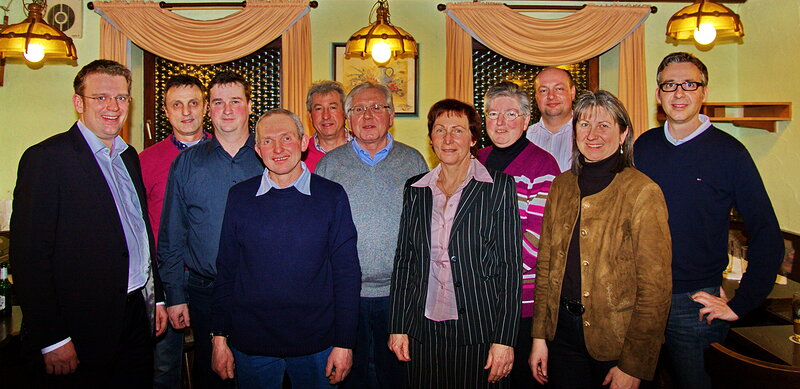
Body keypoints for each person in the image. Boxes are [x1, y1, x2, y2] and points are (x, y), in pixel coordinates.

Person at [10, 59, 167, 387]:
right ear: (78, 102)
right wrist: (53, 338)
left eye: (122, 98)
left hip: (136, 315)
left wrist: (157, 300)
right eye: (101, 97)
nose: (113, 106)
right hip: (80, 327)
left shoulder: (128, 157)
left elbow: (138, 235)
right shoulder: (47, 159)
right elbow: (29, 259)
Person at [634, 52, 784, 389]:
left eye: (690, 84)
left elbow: (766, 232)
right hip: (638, 299)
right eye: (669, 85)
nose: (679, 93)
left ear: (704, 92)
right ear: (658, 95)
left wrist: (742, 303)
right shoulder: (643, 147)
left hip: (695, 305)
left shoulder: (730, 153)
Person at [208, 108, 361, 389]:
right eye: (267, 141)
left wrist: (345, 343)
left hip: (318, 345)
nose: (278, 148)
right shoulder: (240, 197)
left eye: (287, 138)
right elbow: (227, 270)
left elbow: (347, 274)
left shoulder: (331, 196)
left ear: (303, 143)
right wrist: (219, 336)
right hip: (252, 344)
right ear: (257, 150)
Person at [529, 90, 672, 389]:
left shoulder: (642, 192)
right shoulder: (562, 185)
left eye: (604, 125)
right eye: (584, 125)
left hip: (616, 341)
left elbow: (655, 288)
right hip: (562, 336)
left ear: (623, 134)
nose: (593, 134)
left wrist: (634, 364)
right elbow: (546, 266)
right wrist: (540, 337)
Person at [388, 99, 521, 388]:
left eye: (458, 131)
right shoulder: (415, 189)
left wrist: (504, 340)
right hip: (422, 329)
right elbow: (405, 260)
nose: (448, 139)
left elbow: (511, 268)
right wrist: (398, 326)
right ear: (431, 139)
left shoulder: (499, 188)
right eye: (440, 130)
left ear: (473, 139)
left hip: (479, 330)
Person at [316, 82, 428, 389]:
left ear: (391, 116)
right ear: (349, 119)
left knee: (396, 377)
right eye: (359, 109)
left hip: (399, 295)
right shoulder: (329, 166)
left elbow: (425, 231)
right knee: (351, 378)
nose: (369, 115)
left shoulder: (415, 163)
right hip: (344, 295)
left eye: (377, 107)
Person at [158, 71, 263, 389]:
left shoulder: (271, 158)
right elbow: (172, 234)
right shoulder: (186, 164)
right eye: (219, 102)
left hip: (263, 291)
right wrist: (175, 295)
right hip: (205, 292)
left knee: (261, 376)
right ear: (209, 109)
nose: (227, 110)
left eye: (235, 101)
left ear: (248, 105)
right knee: (211, 376)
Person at [477, 82, 560, 388]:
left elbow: (537, 243)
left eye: (510, 114)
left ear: (526, 121)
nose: (500, 122)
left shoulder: (543, 166)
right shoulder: (475, 161)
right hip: (477, 302)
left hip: (521, 304)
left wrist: (483, 270)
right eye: (493, 114)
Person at [139, 74, 212, 388]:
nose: (186, 112)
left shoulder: (228, 154)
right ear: (166, 112)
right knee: (164, 365)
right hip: (165, 279)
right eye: (177, 105)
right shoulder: (145, 161)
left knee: (217, 361)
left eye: (194, 103)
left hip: (212, 277)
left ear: (205, 107)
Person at [526, 67, 577, 172]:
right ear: (536, 97)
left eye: (559, 89)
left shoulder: (589, 136)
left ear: (572, 92)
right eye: (543, 90)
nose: (551, 96)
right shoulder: (524, 138)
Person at [304, 80, 352, 171]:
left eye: (332, 108)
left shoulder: (363, 149)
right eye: (319, 109)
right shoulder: (300, 156)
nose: (326, 116)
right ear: (310, 116)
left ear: (345, 112)